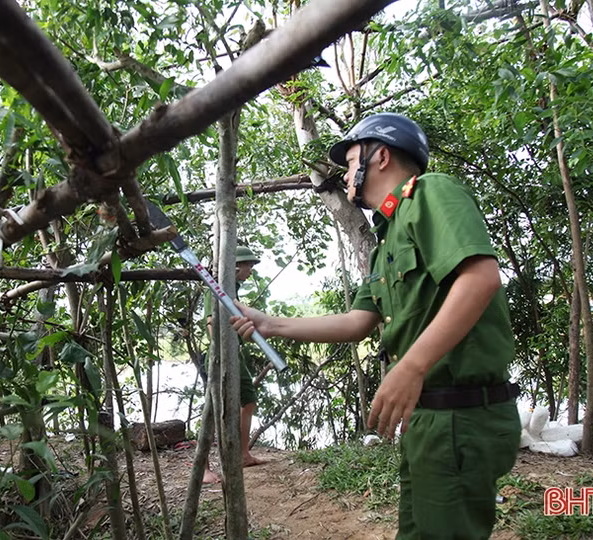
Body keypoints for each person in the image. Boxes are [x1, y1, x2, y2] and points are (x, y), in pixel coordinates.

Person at [230, 113, 521, 538]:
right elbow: (357, 321)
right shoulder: (387, 242)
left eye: (349, 162)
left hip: (461, 416)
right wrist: (269, 324)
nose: (345, 174)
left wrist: (412, 366)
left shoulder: (429, 193)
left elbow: (480, 277)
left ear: (380, 156)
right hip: (426, 418)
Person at [201, 245, 266, 484]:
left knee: (247, 399)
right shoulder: (217, 288)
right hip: (221, 354)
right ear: (236, 267)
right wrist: (221, 353)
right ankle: (204, 468)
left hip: (233, 352)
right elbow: (211, 322)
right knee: (214, 408)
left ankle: (242, 454)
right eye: (248, 265)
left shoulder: (233, 290)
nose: (251, 270)